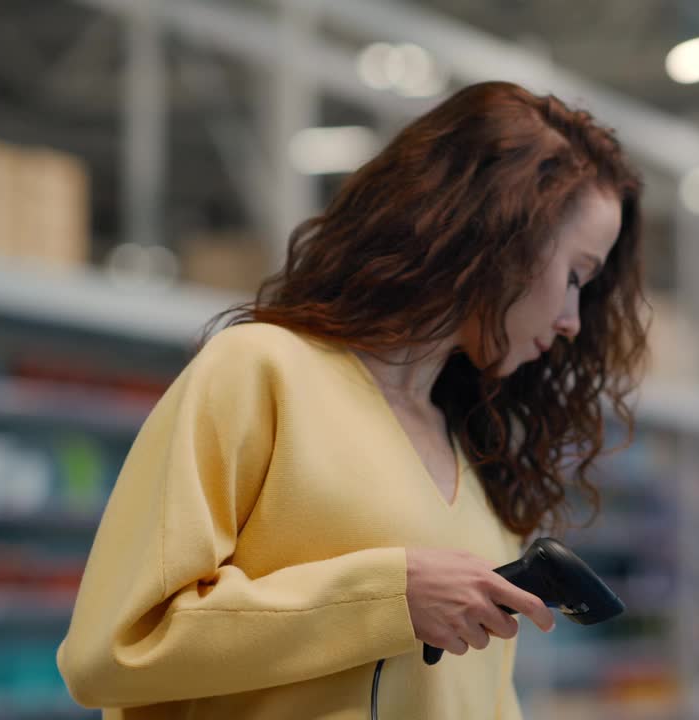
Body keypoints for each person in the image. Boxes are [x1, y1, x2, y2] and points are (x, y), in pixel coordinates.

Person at [56, 80, 649, 719]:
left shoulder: (476, 456)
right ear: (499, 235)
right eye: (574, 277)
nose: (573, 322)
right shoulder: (260, 370)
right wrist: (387, 597)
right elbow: (113, 650)